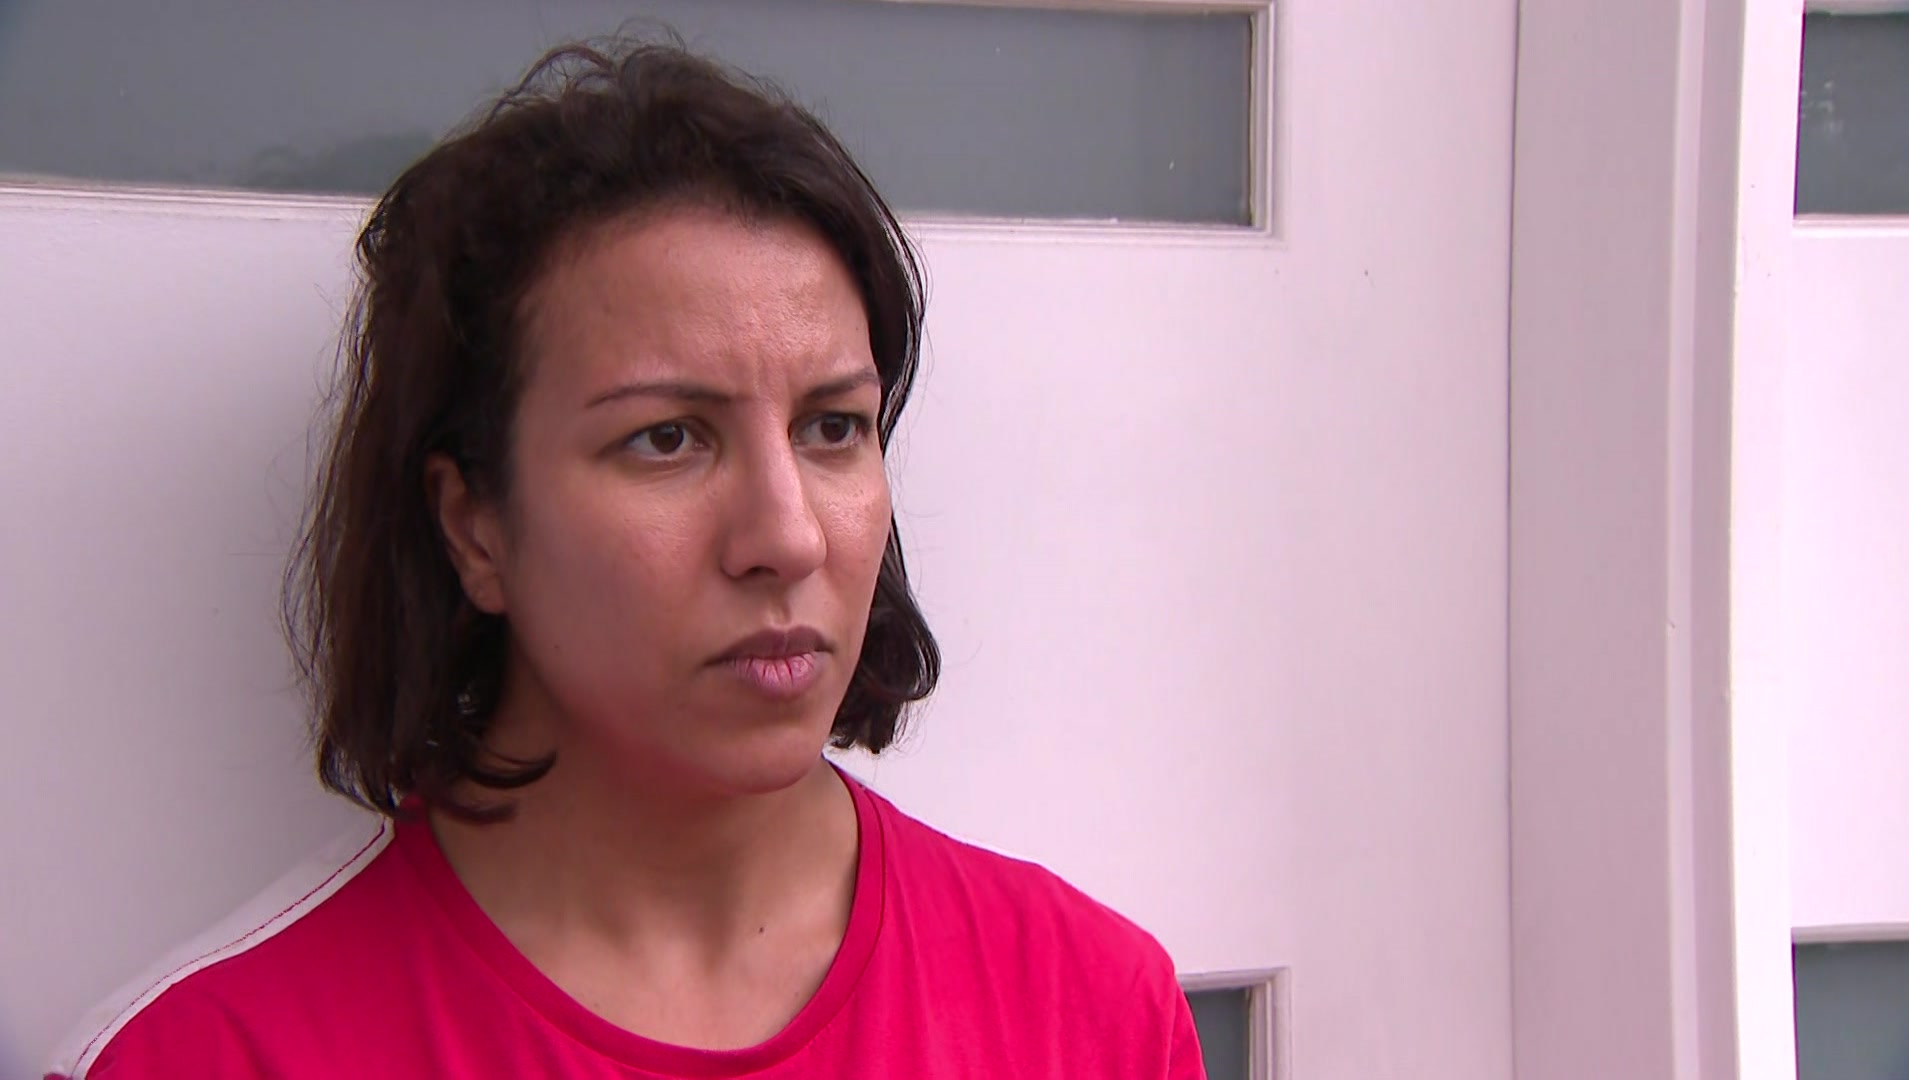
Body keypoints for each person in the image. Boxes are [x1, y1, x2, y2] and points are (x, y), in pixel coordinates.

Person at [46, 38, 1205, 1079]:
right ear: (474, 526)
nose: (788, 535)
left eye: (833, 427)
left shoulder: (1088, 1009)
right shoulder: (213, 1055)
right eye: (667, 439)